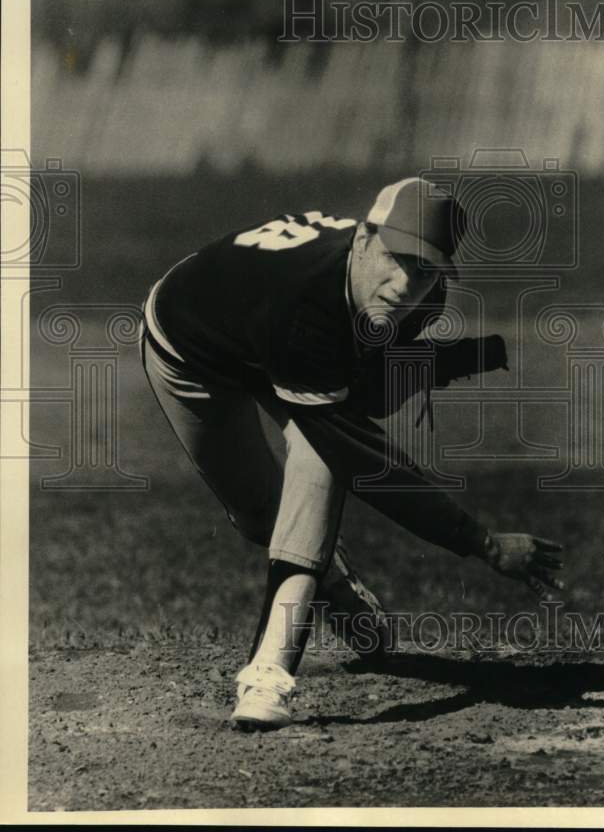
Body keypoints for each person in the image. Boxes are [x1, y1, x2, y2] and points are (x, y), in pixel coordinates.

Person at [139, 176, 565, 731]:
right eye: (396, 258)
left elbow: (364, 391)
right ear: (363, 238)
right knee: (258, 514)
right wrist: (480, 542)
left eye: (427, 268)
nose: (405, 282)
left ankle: (268, 673)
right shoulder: (306, 301)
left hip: (280, 343)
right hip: (190, 348)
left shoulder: (421, 298)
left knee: (316, 462)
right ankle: (337, 589)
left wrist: (453, 358)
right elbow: (367, 462)